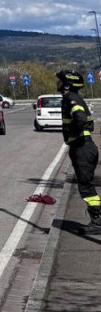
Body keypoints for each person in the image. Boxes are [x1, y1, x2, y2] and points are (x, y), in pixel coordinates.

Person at [58, 70, 99, 234]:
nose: (58, 84)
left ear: (67, 85)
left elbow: (80, 118)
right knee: (86, 185)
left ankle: (97, 220)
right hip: (83, 147)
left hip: (82, 147)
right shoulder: (71, 98)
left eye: (60, 81)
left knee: (86, 187)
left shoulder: (71, 98)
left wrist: (73, 134)